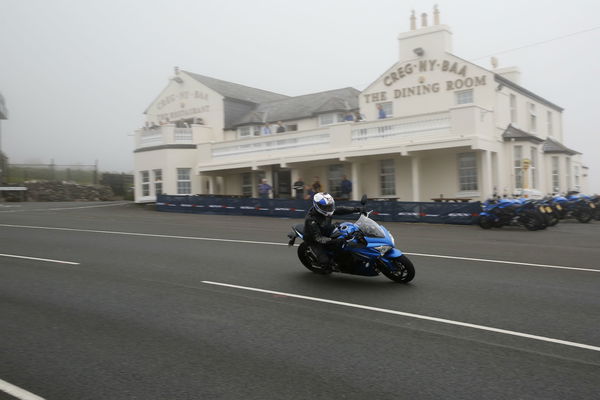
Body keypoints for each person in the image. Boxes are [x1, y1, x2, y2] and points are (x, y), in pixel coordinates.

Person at [303, 192, 361, 269]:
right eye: (326, 207)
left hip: (327, 229)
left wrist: (356, 209)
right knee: (325, 263)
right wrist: (336, 240)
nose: (329, 209)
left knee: (349, 229)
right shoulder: (311, 220)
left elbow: (340, 209)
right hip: (314, 240)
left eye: (330, 206)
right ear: (317, 206)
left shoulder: (327, 210)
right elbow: (319, 238)